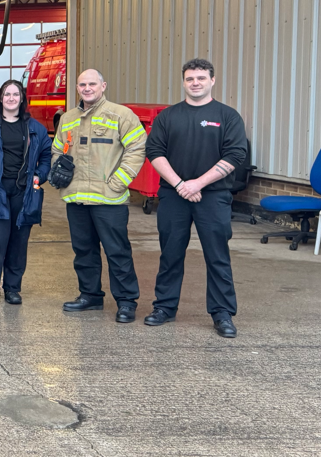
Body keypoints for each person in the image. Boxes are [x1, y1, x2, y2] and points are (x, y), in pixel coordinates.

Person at [144, 59, 247, 338]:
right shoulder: (168, 116)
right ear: (183, 82)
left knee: (217, 256)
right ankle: (164, 307)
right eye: (190, 79)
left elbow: (236, 154)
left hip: (213, 196)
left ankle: (222, 313)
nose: (195, 83)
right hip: (174, 195)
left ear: (212, 80)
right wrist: (180, 185)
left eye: (201, 78)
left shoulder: (228, 116)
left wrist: (198, 183)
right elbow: (154, 151)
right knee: (170, 253)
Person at [53, 69, 147, 323]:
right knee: (83, 250)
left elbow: (137, 147)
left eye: (92, 84)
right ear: (77, 88)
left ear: (103, 86)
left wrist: (119, 182)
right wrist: (59, 171)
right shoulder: (68, 118)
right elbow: (57, 149)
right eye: (82, 84)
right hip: (77, 198)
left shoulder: (120, 115)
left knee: (117, 252)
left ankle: (126, 301)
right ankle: (90, 295)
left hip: (108, 199)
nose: (87, 88)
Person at [0, 81, 52, 306]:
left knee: (18, 243)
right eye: (7, 94)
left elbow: (46, 156)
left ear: (22, 98)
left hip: (24, 193)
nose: (11, 98)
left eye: (16, 94)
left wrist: (39, 176)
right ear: (0, 98)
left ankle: (13, 288)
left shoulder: (35, 128)